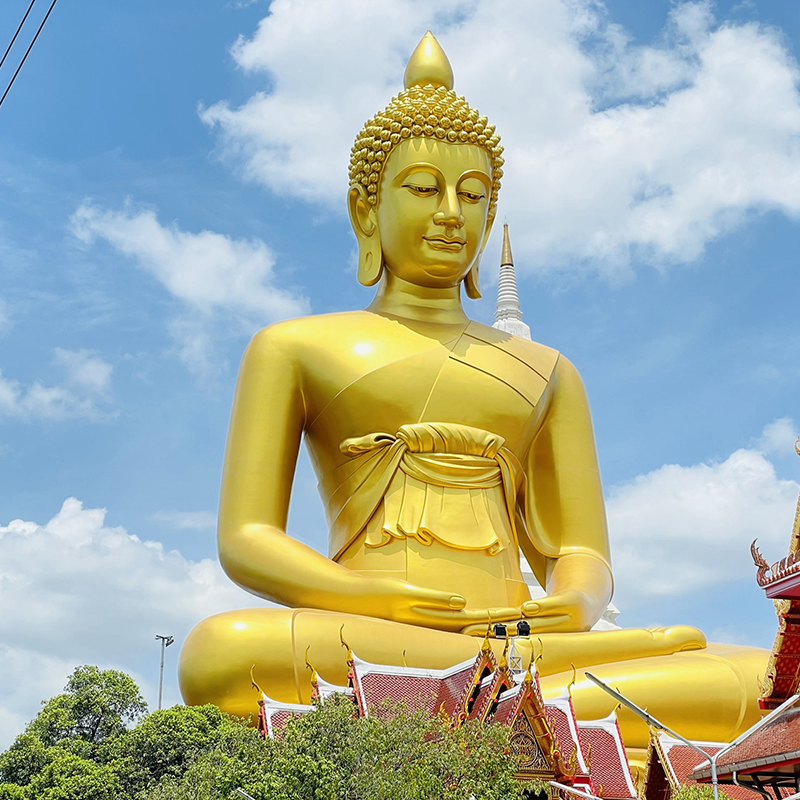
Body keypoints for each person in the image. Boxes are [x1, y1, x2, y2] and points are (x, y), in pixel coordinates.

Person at [179, 33, 766, 754]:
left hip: (522, 640)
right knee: (221, 651)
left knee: (751, 672)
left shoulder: (547, 370)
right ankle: (530, 709)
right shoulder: (294, 347)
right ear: (365, 210)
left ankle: (496, 700)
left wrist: (573, 602)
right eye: (425, 189)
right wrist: (368, 597)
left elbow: (582, 551)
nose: (452, 212)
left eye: (474, 195)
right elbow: (246, 540)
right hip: (374, 632)